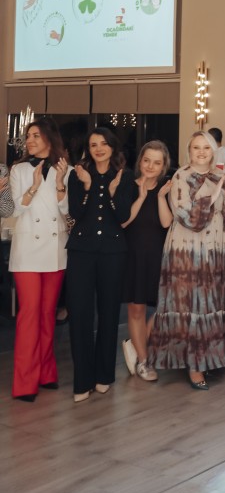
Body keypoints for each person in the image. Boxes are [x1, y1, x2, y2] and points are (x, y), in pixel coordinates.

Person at [147, 131, 225, 391]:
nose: (201, 152)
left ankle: (208, 356)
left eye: (206, 147)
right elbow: (188, 216)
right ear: (189, 151)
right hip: (188, 248)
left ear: (213, 150)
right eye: (196, 147)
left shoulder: (220, 176)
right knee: (191, 304)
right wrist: (215, 195)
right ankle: (193, 365)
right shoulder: (181, 176)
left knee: (210, 302)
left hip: (216, 246)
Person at [66, 127, 135, 402]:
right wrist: (87, 187)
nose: (98, 149)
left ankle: (104, 375)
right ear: (88, 148)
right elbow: (75, 212)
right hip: (81, 251)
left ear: (112, 147)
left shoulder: (125, 176)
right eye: (93, 144)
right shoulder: (78, 174)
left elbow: (123, 216)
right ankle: (82, 380)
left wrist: (114, 192)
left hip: (113, 251)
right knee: (79, 315)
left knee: (108, 314)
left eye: (103, 143)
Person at [8, 119, 70, 401]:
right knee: (29, 314)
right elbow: (13, 210)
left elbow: (68, 212)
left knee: (47, 314)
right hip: (27, 253)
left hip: (55, 250)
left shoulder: (66, 169)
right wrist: (33, 187)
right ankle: (24, 382)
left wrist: (59, 185)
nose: (30, 140)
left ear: (49, 138)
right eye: (28, 135)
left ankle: (46, 373)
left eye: (36, 135)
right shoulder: (19, 169)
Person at [120, 141, 173, 384]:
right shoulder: (128, 186)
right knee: (137, 309)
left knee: (166, 307)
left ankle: (135, 342)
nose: (151, 166)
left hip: (159, 256)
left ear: (164, 166)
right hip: (132, 256)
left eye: (157, 162)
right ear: (140, 160)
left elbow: (166, 222)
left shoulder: (167, 187)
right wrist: (141, 196)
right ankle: (143, 361)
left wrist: (160, 196)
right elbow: (123, 221)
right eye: (147, 160)